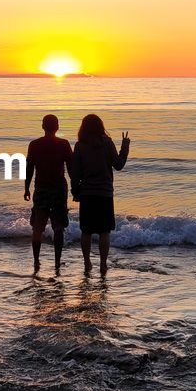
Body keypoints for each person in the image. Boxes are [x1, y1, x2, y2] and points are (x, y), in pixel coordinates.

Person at [70, 113, 129, 275]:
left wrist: (75, 191)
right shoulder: (107, 143)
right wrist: (125, 146)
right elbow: (118, 165)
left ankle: (87, 262)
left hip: (87, 193)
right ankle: (103, 264)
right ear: (100, 126)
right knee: (104, 231)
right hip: (105, 193)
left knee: (86, 231)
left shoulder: (80, 146)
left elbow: (75, 172)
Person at [23, 113, 74, 274]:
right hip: (59, 189)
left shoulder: (34, 144)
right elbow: (71, 169)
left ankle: (36, 260)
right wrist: (75, 187)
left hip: (41, 189)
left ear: (43, 126)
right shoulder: (64, 144)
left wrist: (26, 188)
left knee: (38, 227)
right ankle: (57, 262)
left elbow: (29, 168)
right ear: (57, 127)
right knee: (59, 227)